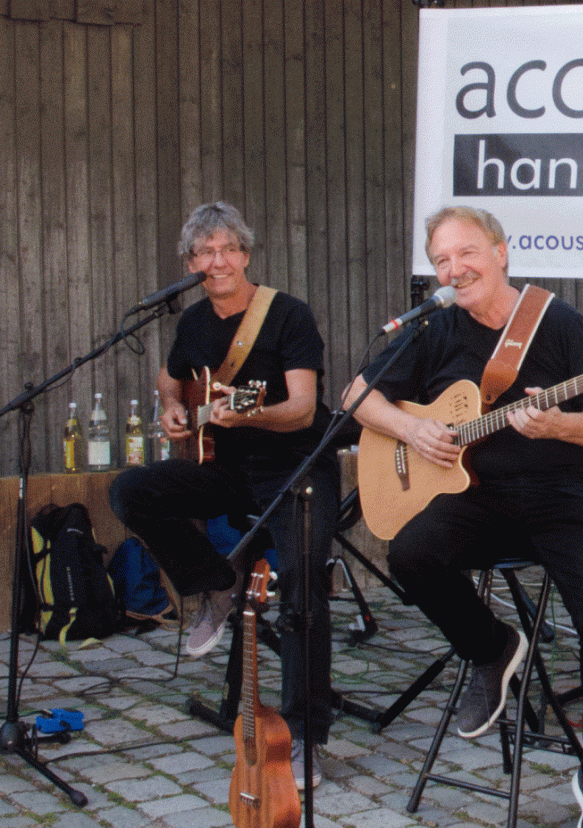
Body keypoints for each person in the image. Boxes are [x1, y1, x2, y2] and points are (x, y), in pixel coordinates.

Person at [344, 206, 583, 828]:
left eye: (466, 253)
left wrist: (557, 425)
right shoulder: (436, 329)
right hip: (477, 498)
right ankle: (491, 646)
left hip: (560, 499)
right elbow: (356, 397)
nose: (454, 269)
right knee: (410, 554)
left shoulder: (557, 322)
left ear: (501, 252)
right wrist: (412, 430)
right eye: (441, 260)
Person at [110, 201, 338, 788]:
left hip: (296, 465)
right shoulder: (192, 322)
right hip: (228, 468)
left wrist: (248, 415)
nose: (218, 262)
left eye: (228, 249)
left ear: (246, 254)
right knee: (130, 491)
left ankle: (305, 735)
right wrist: (171, 407)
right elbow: (171, 377)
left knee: (304, 584)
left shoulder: (287, 315)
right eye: (205, 252)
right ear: (190, 263)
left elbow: (302, 408)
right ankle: (215, 583)